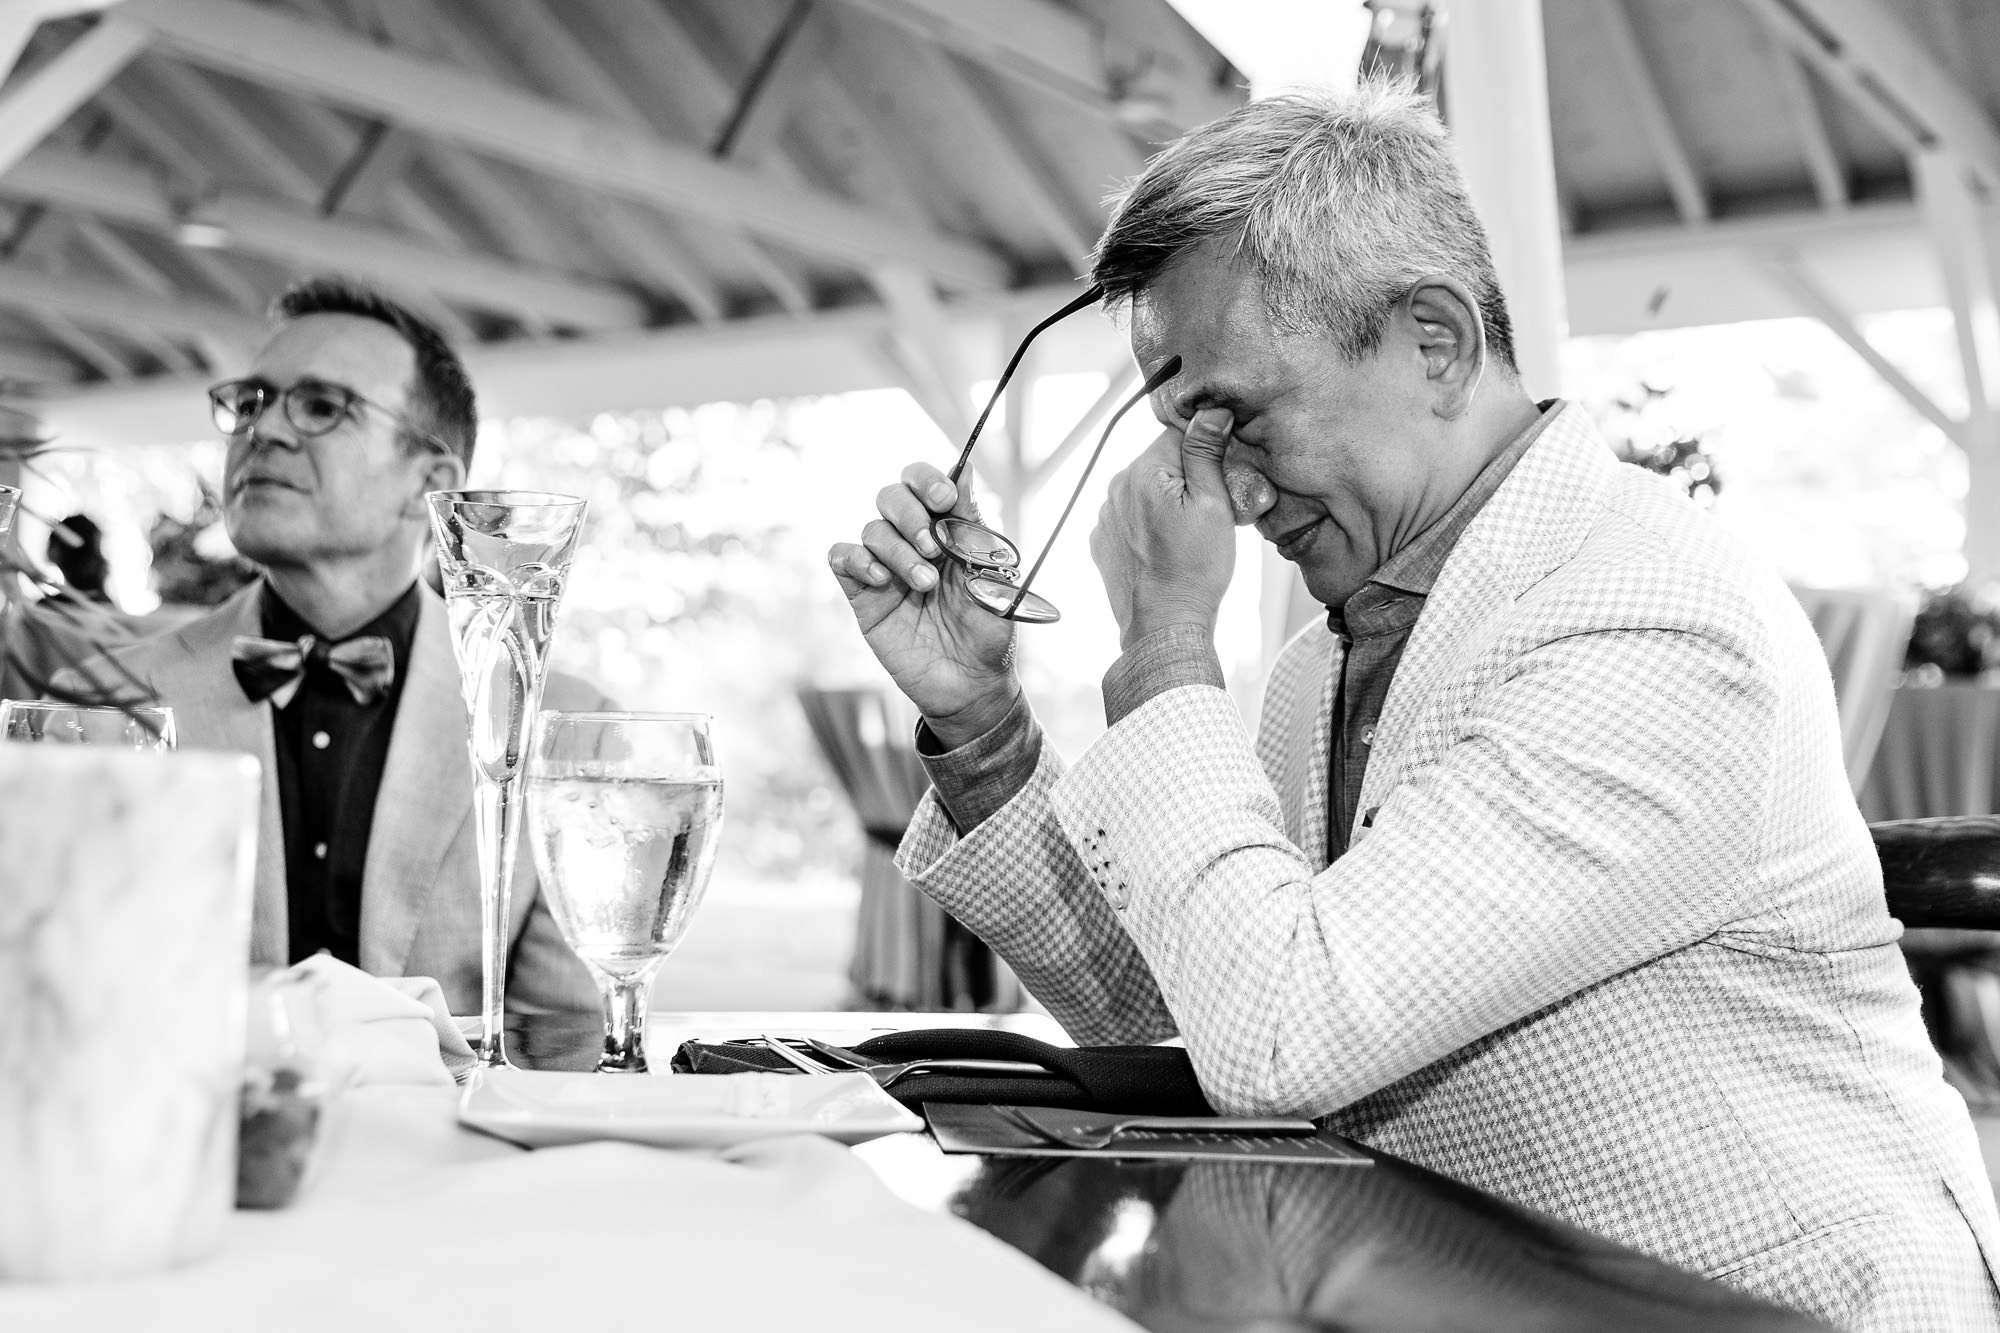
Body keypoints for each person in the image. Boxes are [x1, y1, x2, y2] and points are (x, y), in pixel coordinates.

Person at [830, 84, 2000, 1329]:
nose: (1212, 493)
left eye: (1231, 417)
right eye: (1181, 434)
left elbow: (1283, 1039)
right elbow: (1194, 1011)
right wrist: (984, 728)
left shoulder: (1646, 616)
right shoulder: (1323, 662)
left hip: (1751, 1305)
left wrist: (1167, 646)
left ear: (1432, 343)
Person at [86, 277, 605, 1014]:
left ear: (429, 484)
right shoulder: (103, 704)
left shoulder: (563, 730)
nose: (262, 431)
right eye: (252, 402)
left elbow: (566, 1047)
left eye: (324, 406)